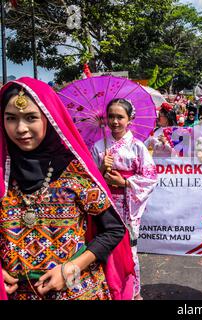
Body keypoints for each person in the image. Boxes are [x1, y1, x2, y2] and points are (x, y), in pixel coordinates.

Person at [0, 78, 135, 300]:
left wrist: (70, 269)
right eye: (11, 118)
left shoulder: (75, 170)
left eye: (31, 117)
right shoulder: (2, 173)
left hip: (75, 289)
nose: (21, 128)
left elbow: (114, 230)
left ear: (48, 118)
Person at [91, 98, 158, 300]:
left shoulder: (137, 147)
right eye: (111, 116)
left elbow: (150, 177)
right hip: (105, 205)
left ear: (130, 119)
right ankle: (110, 290)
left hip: (128, 204)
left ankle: (133, 292)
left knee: (129, 249)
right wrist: (101, 168)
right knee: (105, 247)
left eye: (120, 117)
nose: (115, 121)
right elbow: (89, 180)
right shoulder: (98, 147)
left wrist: (125, 183)